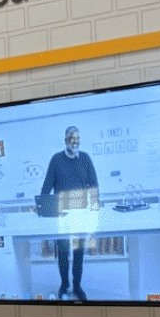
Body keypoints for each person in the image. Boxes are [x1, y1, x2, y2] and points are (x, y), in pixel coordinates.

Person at [38, 125, 99, 302]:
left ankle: (77, 286)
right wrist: (43, 207)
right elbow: (46, 186)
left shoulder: (85, 159)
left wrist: (94, 208)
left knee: (79, 252)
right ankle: (64, 285)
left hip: (81, 215)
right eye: (72, 139)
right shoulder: (56, 160)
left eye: (77, 139)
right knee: (63, 253)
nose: (75, 142)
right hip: (62, 216)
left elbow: (94, 185)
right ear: (66, 140)